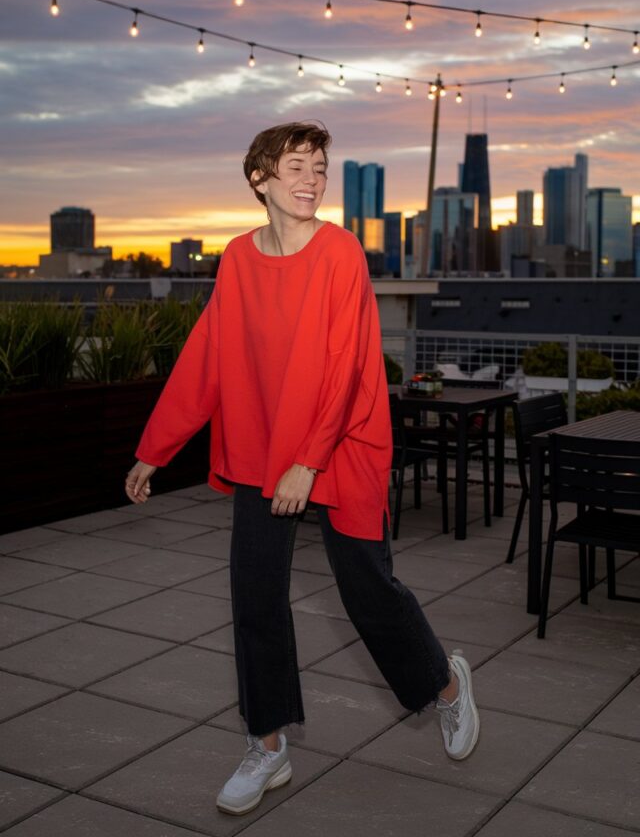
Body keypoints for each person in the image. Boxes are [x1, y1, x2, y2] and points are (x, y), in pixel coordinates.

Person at [125, 121, 480, 817]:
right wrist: (153, 448)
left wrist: (307, 462)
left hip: (340, 444)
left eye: (319, 168)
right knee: (255, 599)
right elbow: (206, 358)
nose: (311, 179)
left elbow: (349, 369)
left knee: (367, 591)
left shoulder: (340, 254)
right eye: (296, 166)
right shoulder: (236, 259)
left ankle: (445, 685)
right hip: (264, 452)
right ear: (259, 177)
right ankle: (268, 747)